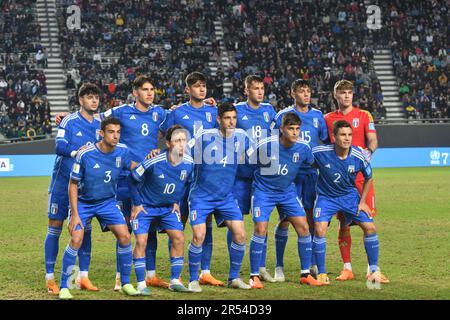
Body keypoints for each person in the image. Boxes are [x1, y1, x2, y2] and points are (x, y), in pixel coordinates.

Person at [59, 117, 139, 299]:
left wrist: (152, 161)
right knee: (77, 238)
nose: (115, 136)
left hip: (108, 203)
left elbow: (134, 167)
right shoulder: (85, 154)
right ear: (101, 133)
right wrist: (75, 215)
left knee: (125, 236)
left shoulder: (123, 152)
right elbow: (72, 184)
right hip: (83, 202)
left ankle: (125, 283)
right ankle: (64, 286)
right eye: (111, 132)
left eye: (118, 132)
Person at [159, 71, 223, 286]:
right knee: (178, 222)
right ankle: (175, 271)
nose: (201, 89)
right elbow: (162, 135)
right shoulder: (177, 113)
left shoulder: (213, 111)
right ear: (187, 90)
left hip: (205, 173)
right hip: (181, 173)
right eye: (196, 86)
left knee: (206, 222)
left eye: (204, 85)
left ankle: (205, 271)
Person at [248, 113, 323, 288]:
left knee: (304, 226)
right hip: (263, 192)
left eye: (297, 129)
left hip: (287, 192)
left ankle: (305, 274)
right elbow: (248, 161)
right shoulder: (266, 145)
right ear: (281, 129)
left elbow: (311, 166)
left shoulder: (304, 148)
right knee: (260, 228)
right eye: (291, 129)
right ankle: (254, 277)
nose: (295, 133)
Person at [324, 80, 389, 283]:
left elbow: (373, 141)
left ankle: (372, 269)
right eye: (342, 93)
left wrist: (367, 154)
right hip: (339, 182)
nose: (346, 96)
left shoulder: (364, 115)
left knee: (367, 222)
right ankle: (347, 268)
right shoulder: (328, 119)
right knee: (344, 223)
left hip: (361, 179)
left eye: (349, 93)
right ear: (335, 95)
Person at [186, 102, 252, 292]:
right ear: (218, 119)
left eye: (234, 118)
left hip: (225, 197)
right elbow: (183, 154)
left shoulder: (241, 136)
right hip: (201, 196)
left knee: (240, 234)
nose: (231, 122)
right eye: (227, 118)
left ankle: (234, 278)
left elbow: (256, 155)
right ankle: (193, 280)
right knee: (199, 235)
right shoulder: (204, 137)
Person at [44, 83, 101, 295]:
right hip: (62, 183)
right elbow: (59, 147)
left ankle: (83, 276)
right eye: (89, 97)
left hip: (86, 186)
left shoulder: (101, 122)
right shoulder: (68, 121)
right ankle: (50, 278)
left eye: (96, 97)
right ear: (80, 100)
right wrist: (78, 151)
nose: (93, 100)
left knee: (85, 230)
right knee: (55, 228)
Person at [311, 120, 384, 285]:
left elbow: (369, 177)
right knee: (320, 228)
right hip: (326, 198)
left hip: (349, 197)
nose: (347, 138)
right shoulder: (319, 152)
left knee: (370, 227)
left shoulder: (358, 155)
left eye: (349, 135)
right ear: (334, 136)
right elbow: (303, 159)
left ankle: (373, 270)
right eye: (343, 135)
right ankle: (321, 273)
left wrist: (363, 201)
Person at [270, 79, 329, 281]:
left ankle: (311, 263)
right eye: (301, 91)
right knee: (286, 219)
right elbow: (272, 142)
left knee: (311, 219)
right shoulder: (282, 116)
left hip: (311, 175)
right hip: (290, 175)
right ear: (292, 93)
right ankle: (279, 266)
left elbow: (326, 142)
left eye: (308, 91)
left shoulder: (318, 116)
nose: (306, 94)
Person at [127, 125, 193, 293]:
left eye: (184, 140)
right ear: (169, 143)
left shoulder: (189, 163)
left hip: (167, 208)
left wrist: (177, 201)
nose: (181, 144)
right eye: (178, 140)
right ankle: (141, 284)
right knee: (141, 241)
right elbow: (132, 178)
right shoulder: (154, 160)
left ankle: (175, 281)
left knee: (178, 238)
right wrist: (136, 204)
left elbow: (185, 184)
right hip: (146, 208)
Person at [233, 75, 277, 283]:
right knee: (236, 220)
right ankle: (237, 265)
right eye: (256, 88)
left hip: (263, 177)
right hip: (241, 176)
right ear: (246, 91)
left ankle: (259, 266)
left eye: (262, 88)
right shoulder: (237, 110)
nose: (260, 92)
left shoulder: (270, 110)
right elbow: (219, 119)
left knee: (262, 222)